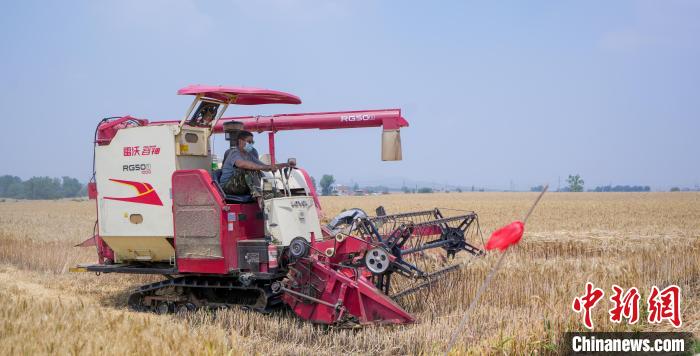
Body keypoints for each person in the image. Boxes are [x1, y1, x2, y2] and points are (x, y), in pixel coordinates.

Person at [219, 131, 292, 207]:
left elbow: (264, 166)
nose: (251, 144)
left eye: (252, 142)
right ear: (240, 141)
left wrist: (283, 165)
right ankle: (260, 198)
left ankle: (279, 199)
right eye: (249, 142)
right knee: (248, 169)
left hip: (243, 185)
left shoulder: (249, 155)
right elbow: (241, 164)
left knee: (270, 186)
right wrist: (263, 167)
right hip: (228, 186)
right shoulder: (234, 153)